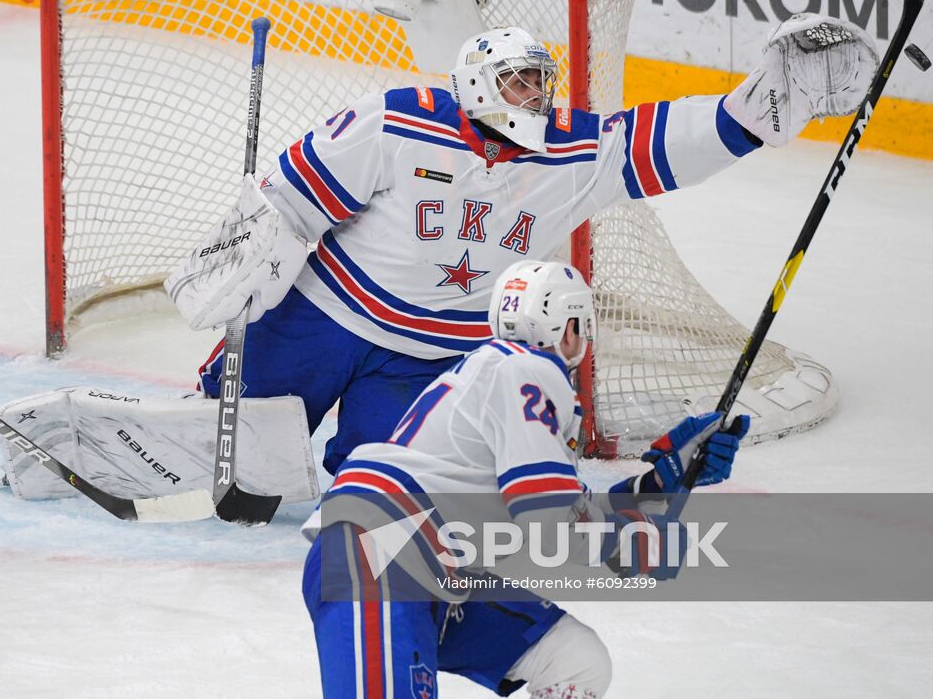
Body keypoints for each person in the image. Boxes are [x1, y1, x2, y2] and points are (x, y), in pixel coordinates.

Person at [166, 15, 876, 475]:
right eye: (517, 79)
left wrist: (752, 112)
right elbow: (291, 197)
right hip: (324, 318)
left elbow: (659, 141)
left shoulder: (571, 153)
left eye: (540, 80)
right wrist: (249, 260)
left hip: (432, 356)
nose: (533, 94)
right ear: (477, 82)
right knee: (214, 452)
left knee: (385, 493)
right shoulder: (394, 122)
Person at [301, 260, 751, 697]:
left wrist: (659, 483)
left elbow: (562, 511)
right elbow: (551, 526)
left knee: (574, 658)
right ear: (569, 328)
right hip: (379, 557)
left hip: (430, 571)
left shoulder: (498, 372)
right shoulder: (529, 373)